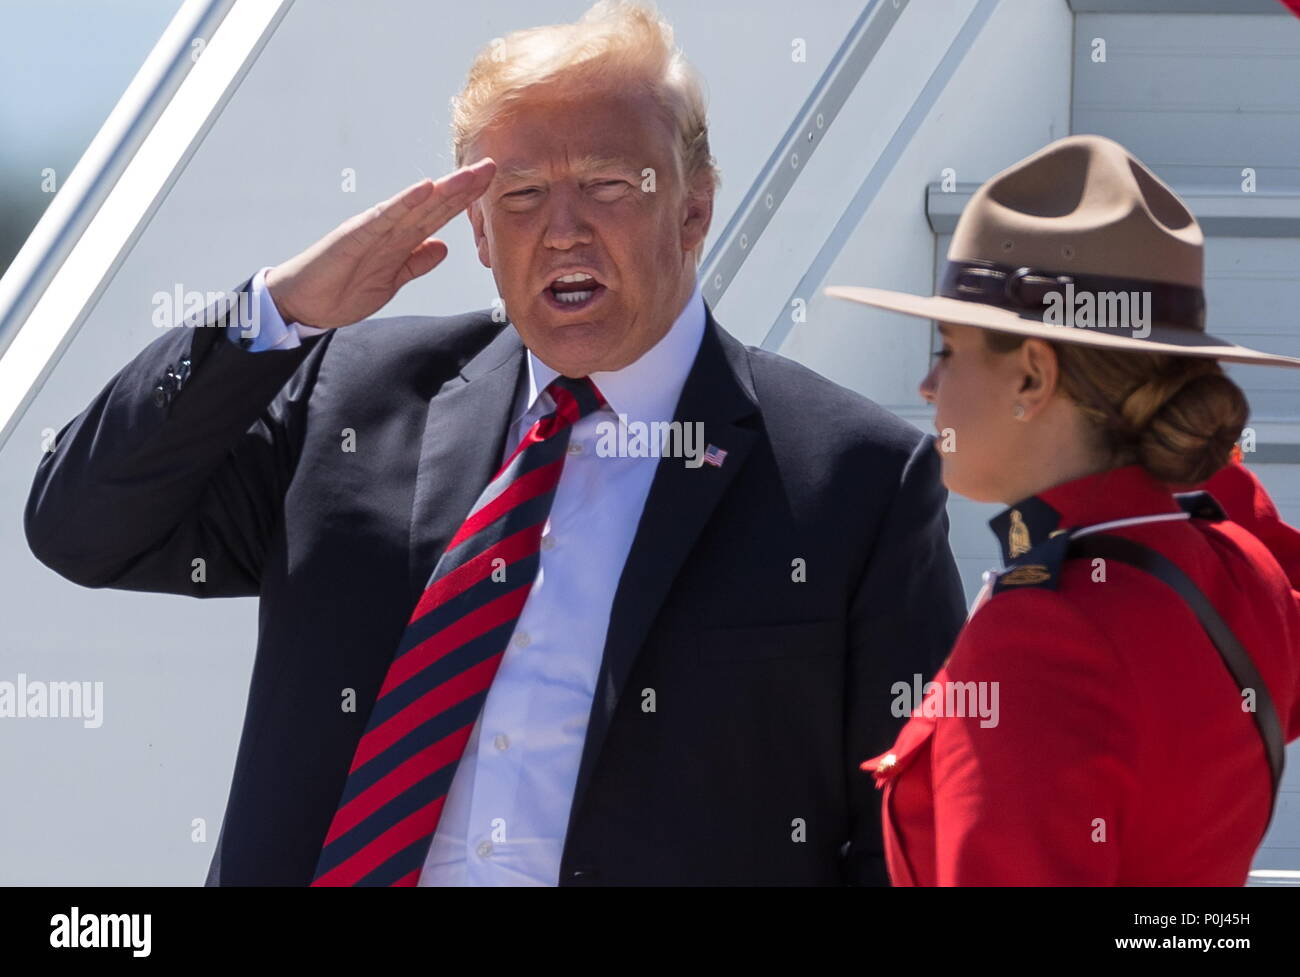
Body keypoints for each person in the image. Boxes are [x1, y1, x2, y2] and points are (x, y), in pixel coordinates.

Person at [24, 0, 966, 886]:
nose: (562, 231)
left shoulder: (853, 478)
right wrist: (279, 312)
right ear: (475, 228)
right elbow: (80, 525)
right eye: (518, 195)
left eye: (605, 185)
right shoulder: (350, 397)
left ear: (693, 208)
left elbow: (906, 843)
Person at [826, 134, 1300, 885]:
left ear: (1032, 377)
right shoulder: (1239, 563)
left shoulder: (1042, 636)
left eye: (947, 348)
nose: (926, 385)